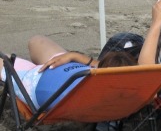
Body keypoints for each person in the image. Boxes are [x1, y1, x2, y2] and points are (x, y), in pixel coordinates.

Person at [0, 35, 135, 111]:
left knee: (3, 59)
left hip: (34, 80)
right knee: (36, 41)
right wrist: (75, 56)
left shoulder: (84, 98)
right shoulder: (120, 87)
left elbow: (106, 70)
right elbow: (111, 70)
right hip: (67, 66)